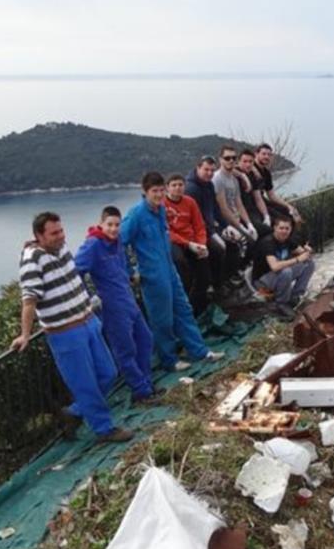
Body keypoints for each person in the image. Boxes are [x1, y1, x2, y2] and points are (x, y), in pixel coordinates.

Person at [11, 212, 133, 443]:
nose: (60, 236)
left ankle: (74, 412)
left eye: (61, 231)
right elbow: (29, 300)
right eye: (54, 233)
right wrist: (25, 335)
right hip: (65, 332)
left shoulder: (62, 249)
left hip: (88, 321)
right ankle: (104, 429)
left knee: (108, 372)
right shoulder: (32, 261)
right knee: (85, 384)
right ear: (39, 235)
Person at [121, 172, 224, 370]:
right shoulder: (136, 215)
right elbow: (119, 243)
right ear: (145, 192)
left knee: (184, 310)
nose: (159, 195)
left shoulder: (160, 210)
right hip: (152, 274)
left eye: (161, 190)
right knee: (162, 319)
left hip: (169, 269)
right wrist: (129, 270)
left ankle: (199, 351)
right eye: (154, 191)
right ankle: (169, 360)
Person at [74, 205, 157, 402]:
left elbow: (123, 263)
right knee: (125, 351)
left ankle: (147, 384)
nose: (113, 229)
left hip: (128, 299)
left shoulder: (117, 241)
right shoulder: (92, 244)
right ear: (101, 224)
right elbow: (76, 271)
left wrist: (130, 274)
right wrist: (89, 297)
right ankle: (141, 392)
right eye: (109, 225)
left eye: (117, 225)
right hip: (112, 306)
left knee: (145, 341)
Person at [184, 155, 241, 292]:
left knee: (233, 242)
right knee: (217, 249)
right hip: (197, 232)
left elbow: (215, 208)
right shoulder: (191, 189)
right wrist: (213, 234)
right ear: (198, 168)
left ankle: (227, 278)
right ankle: (216, 285)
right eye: (206, 170)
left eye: (212, 170)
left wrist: (226, 225)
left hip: (210, 226)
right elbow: (196, 219)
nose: (209, 173)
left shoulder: (208, 184)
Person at [163, 174, 212, 315]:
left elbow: (199, 225)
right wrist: (188, 244)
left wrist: (201, 244)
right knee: (180, 263)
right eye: (174, 185)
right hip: (176, 242)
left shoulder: (190, 202)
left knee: (205, 272)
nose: (178, 188)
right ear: (167, 188)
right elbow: (166, 231)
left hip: (192, 240)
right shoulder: (162, 205)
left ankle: (199, 306)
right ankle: (182, 306)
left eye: (180, 185)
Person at [251, 215, 316, 318]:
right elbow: (275, 267)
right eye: (281, 228)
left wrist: (308, 251)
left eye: (287, 228)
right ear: (275, 228)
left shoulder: (287, 239)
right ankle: (281, 303)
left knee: (309, 263)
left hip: (277, 275)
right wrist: (297, 259)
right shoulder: (267, 242)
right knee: (286, 271)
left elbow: (304, 254)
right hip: (262, 281)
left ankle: (296, 296)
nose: (284, 231)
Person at [253, 143, 302, 228]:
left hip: (263, 201)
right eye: (263, 154)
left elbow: (271, 195)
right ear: (256, 154)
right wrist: (252, 169)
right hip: (253, 205)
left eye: (269, 155)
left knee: (289, 214)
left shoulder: (266, 173)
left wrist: (289, 206)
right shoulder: (249, 168)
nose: (266, 157)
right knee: (281, 221)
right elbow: (236, 167)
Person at [237, 148, 271, 237]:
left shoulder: (252, 174)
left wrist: (266, 215)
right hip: (241, 213)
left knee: (278, 222)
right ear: (238, 162)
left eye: (250, 162)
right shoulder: (234, 175)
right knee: (266, 230)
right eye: (244, 161)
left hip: (253, 210)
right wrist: (242, 175)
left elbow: (258, 198)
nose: (247, 164)